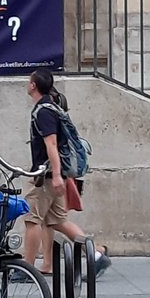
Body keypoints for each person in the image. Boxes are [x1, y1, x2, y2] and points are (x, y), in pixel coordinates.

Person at [19, 68, 110, 280]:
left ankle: (26, 269)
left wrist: (57, 175)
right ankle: (97, 254)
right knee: (58, 221)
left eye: (29, 81)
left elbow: (51, 144)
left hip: (46, 176)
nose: (27, 84)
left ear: (33, 85)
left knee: (32, 220)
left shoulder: (44, 112)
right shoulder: (50, 108)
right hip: (53, 175)